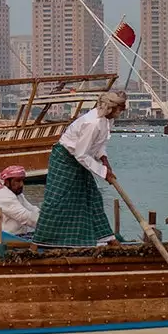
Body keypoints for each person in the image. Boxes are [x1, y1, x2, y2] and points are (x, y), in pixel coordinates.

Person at [32, 91, 126, 246]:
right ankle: (39, 242)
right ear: (112, 108)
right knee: (56, 200)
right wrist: (103, 173)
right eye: (121, 108)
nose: (122, 112)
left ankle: (107, 238)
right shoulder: (92, 123)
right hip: (65, 159)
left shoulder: (107, 120)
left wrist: (105, 161)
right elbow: (81, 154)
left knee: (92, 197)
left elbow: (99, 144)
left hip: (79, 159)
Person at [0, 164, 40, 238]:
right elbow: (25, 217)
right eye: (17, 181)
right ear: (7, 182)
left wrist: (47, 216)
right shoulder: (3, 195)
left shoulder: (17, 195)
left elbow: (31, 209)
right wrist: (49, 225)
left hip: (12, 236)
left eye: (22, 181)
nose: (21, 184)